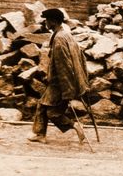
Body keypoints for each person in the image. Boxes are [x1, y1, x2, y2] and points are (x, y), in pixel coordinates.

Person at [28, 8, 90, 144]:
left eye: (47, 20)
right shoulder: (62, 34)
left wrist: (67, 91)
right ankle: (39, 134)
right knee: (42, 106)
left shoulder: (60, 39)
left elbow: (64, 66)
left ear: (53, 22)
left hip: (61, 84)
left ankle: (76, 126)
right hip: (57, 82)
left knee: (53, 113)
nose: (45, 23)